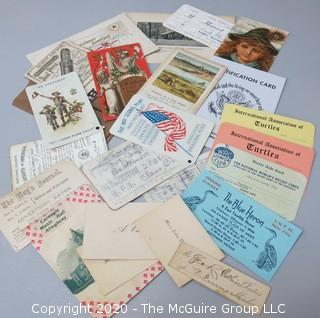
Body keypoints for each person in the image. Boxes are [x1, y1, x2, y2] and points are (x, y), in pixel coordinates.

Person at [215, 28, 286, 71]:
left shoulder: (261, 71)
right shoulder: (221, 58)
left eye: (256, 51)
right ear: (236, 45)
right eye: (244, 46)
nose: (248, 52)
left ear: (263, 54)